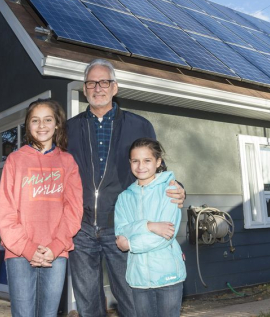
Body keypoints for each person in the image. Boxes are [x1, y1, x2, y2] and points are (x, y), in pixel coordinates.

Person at [67, 58, 185, 317]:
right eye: (91, 83)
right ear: (84, 88)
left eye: (104, 82)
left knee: (131, 300)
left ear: (115, 87)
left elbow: (155, 168)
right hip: (80, 227)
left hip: (122, 226)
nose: (98, 87)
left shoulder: (139, 125)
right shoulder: (69, 129)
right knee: (87, 303)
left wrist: (178, 187)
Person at [0, 99, 83, 317]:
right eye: (35, 120)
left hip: (56, 251)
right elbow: (5, 212)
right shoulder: (15, 160)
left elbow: (73, 211)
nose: (41, 125)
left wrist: (55, 246)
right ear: (28, 125)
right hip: (19, 252)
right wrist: (26, 247)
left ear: (57, 125)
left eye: (47, 120)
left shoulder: (67, 161)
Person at [115, 138, 186, 317]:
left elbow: (165, 236)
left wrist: (131, 244)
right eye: (135, 161)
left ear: (158, 162)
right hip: (138, 278)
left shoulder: (170, 191)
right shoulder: (124, 198)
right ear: (130, 162)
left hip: (167, 275)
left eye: (147, 160)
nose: (141, 166)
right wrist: (149, 225)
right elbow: (121, 232)